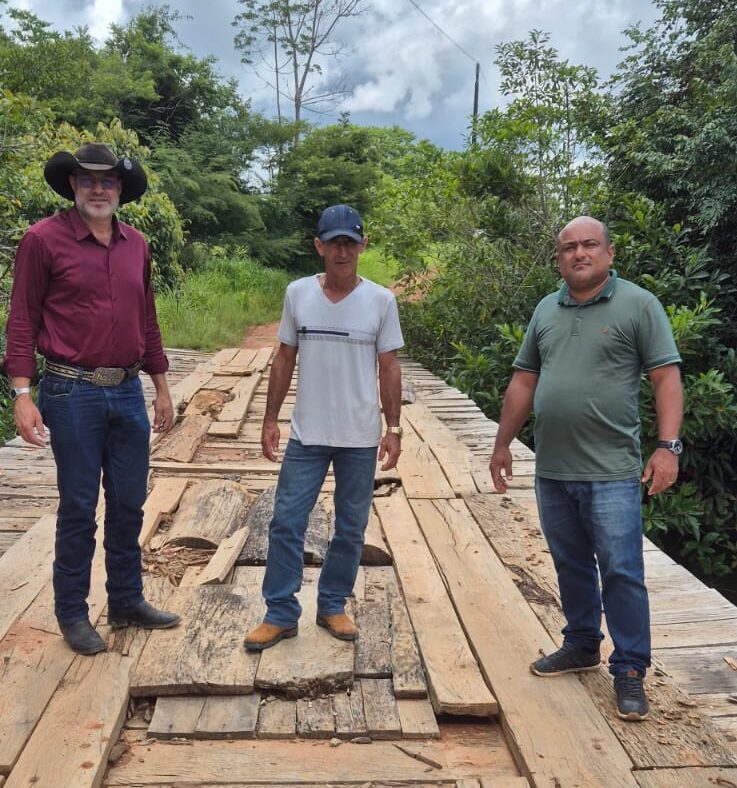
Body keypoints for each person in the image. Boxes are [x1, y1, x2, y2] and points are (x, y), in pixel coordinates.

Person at [489, 216, 683, 722]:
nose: (579, 253)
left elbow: (666, 378)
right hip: (552, 469)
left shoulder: (639, 305)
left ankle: (631, 669)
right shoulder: (545, 311)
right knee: (570, 564)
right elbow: (524, 382)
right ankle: (580, 644)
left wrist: (668, 447)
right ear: (559, 258)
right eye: (569, 247)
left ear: (609, 252)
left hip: (613, 471)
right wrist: (502, 443)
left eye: (589, 245)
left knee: (621, 570)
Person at [4, 143, 181, 655]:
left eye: (107, 182)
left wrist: (162, 385)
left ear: (121, 189)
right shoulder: (42, 241)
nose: (98, 189)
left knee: (129, 502)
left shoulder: (136, 244)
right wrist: (22, 393)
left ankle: (126, 600)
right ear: (73, 186)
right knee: (79, 506)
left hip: (127, 389)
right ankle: (73, 614)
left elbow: (146, 320)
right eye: (87, 180)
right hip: (69, 388)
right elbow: (22, 321)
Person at [244, 203, 404, 651]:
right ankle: (279, 612)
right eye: (333, 243)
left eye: (349, 243)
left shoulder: (380, 301)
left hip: (359, 437)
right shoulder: (298, 294)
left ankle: (333, 604)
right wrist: (270, 418)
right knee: (286, 522)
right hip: (307, 434)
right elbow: (283, 357)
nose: (342, 251)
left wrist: (394, 429)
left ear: (362, 246)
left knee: (351, 527)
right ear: (319, 246)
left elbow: (389, 366)